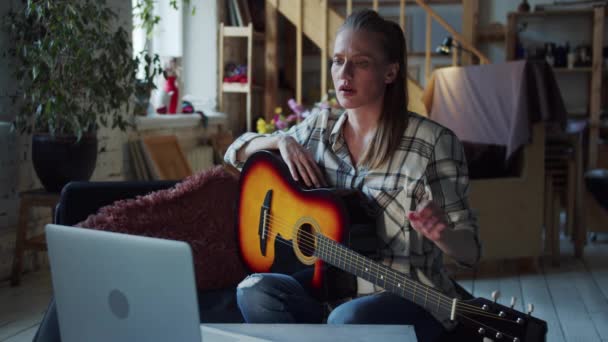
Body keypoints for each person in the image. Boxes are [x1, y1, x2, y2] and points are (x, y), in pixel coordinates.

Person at [224, 9, 481, 342]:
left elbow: (470, 252)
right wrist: (281, 140)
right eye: (337, 60)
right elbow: (236, 152)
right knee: (254, 290)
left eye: (360, 63)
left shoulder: (434, 144)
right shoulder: (318, 128)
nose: (343, 74)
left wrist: (442, 233)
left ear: (390, 72)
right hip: (329, 289)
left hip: (410, 297)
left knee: (348, 319)